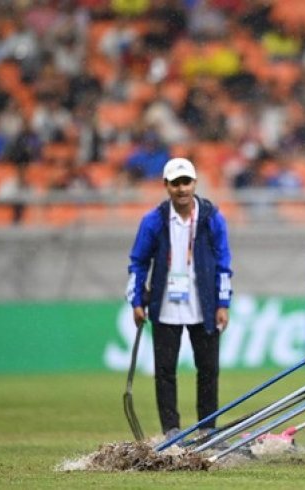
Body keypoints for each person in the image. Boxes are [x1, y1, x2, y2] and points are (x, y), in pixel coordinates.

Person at [126, 157, 233, 438]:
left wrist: (223, 304)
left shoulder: (212, 218)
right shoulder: (153, 221)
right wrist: (136, 301)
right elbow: (138, 263)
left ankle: (208, 429)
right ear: (166, 186)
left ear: (195, 183)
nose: (182, 189)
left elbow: (224, 262)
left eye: (186, 182)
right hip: (165, 305)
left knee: (209, 370)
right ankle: (171, 429)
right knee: (165, 371)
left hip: (205, 305)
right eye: (176, 183)